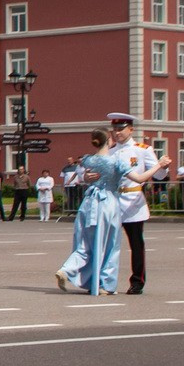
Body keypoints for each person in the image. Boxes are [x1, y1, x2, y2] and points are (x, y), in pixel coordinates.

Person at [56, 130, 127, 295]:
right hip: (107, 202)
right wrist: (159, 166)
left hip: (88, 203)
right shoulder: (115, 160)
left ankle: (67, 269)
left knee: (85, 244)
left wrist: (87, 178)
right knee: (109, 245)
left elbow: (83, 178)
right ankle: (104, 284)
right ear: (108, 140)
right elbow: (137, 177)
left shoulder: (88, 159)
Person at [108, 113, 160, 295]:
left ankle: (137, 281)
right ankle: (106, 280)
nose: (117, 133)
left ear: (131, 129)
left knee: (136, 244)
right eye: (115, 129)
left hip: (133, 202)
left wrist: (164, 166)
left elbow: (159, 175)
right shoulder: (111, 151)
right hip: (114, 202)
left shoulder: (142, 149)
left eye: (121, 129)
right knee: (109, 244)